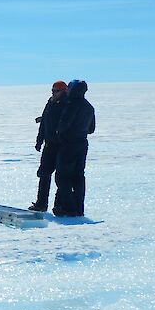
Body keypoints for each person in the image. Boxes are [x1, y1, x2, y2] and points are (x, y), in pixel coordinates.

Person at [53, 80, 96, 217]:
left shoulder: (71, 105)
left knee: (62, 177)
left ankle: (68, 208)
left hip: (68, 145)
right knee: (78, 177)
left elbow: (63, 126)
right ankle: (78, 208)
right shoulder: (89, 107)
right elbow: (91, 129)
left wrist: (59, 135)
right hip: (82, 144)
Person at [29, 80, 68, 212]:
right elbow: (44, 123)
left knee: (60, 177)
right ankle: (41, 204)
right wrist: (39, 140)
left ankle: (59, 205)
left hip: (62, 147)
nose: (53, 93)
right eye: (52, 91)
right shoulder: (50, 103)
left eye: (56, 91)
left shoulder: (68, 105)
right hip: (49, 145)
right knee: (44, 174)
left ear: (64, 91)